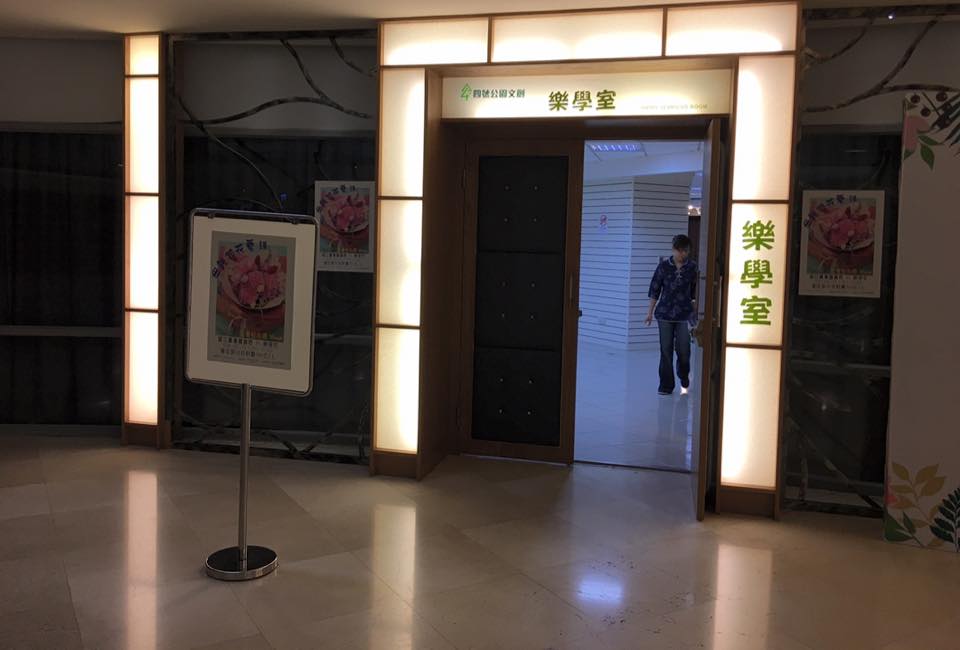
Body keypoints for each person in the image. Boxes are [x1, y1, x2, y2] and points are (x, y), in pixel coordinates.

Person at [645, 234, 697, 396]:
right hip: (664, 314)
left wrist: (695, 310)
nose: (683, 254)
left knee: (684, 350)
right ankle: (666, 385)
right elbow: (655, 289)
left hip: (684, 314)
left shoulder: (692, 267)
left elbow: (696, 291)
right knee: (666, 350)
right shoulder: (663, 267)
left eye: (686, 251)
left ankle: (683, 374)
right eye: (680, 251)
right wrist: (649, 312)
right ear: (673, 249)